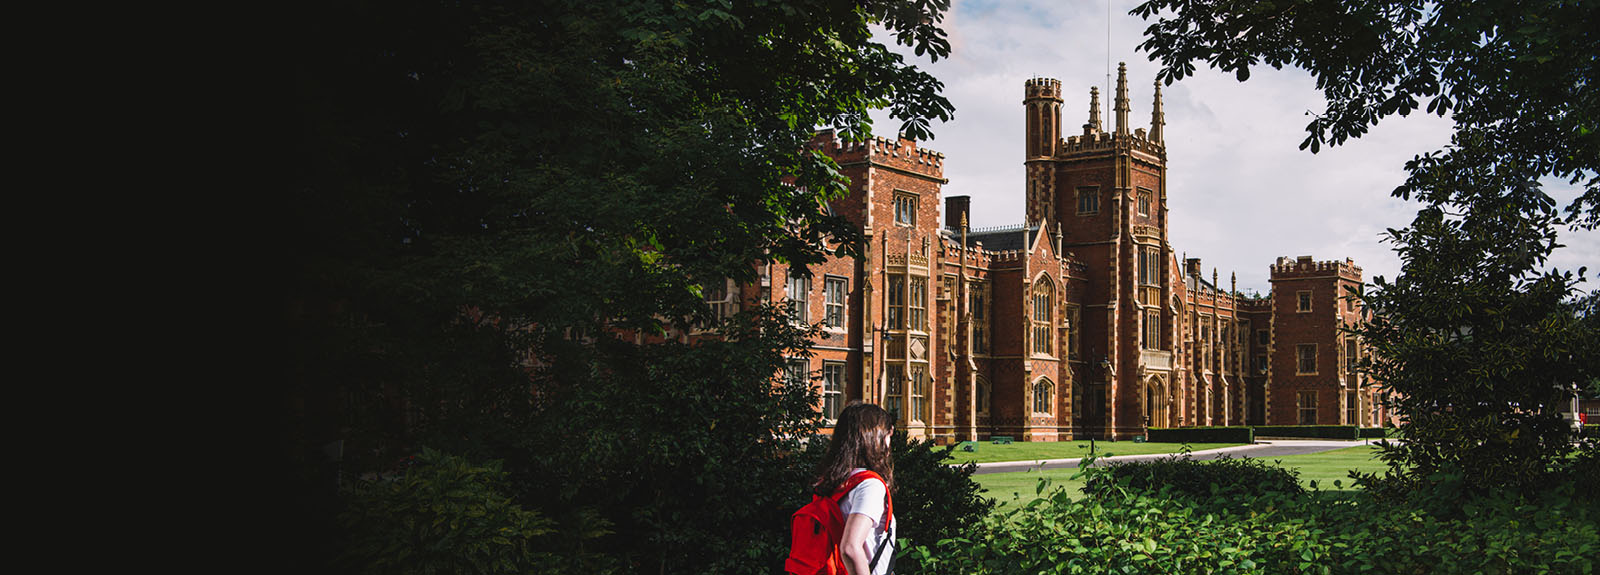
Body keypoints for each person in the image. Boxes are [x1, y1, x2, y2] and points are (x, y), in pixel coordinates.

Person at [811, 401, 897, 575]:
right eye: (888, 436)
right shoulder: (870, 485)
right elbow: (850, 548)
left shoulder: (835, 480)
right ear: (875, 438)